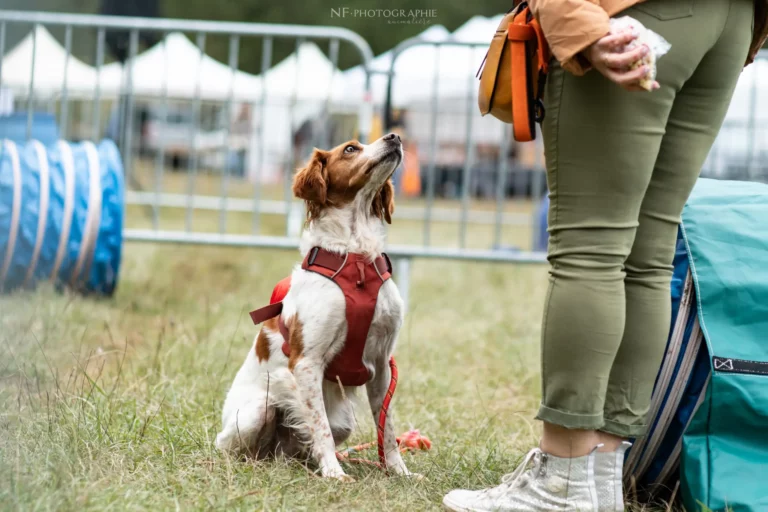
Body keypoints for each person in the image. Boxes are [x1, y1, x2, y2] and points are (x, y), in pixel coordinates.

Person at [443, 0, 768, 510]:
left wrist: (577, 21)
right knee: (650, 256)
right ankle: (599, 476)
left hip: (633, 12)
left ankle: (562, 480)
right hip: (730, 22)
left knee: (589, 251)